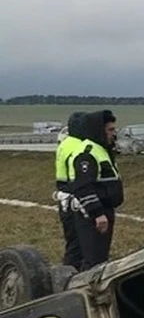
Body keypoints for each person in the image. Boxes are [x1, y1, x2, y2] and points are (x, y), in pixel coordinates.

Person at [68, 110, 124, 270]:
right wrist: (97, 213)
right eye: (110, 130)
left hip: (104, 210)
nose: (114, 134)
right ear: (99, 131)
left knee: (100, 257)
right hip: (92, 215)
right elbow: (83, 187)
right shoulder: (87, 153)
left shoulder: (102, 150)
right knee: (93, 260)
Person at [53, 112, 86, 270]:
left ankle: (69, 269)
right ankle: (72, 273)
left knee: (72, 240)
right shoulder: (79, 146)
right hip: (74, 196)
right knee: (79, 243)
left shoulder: (65, 144)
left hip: (63, 195)